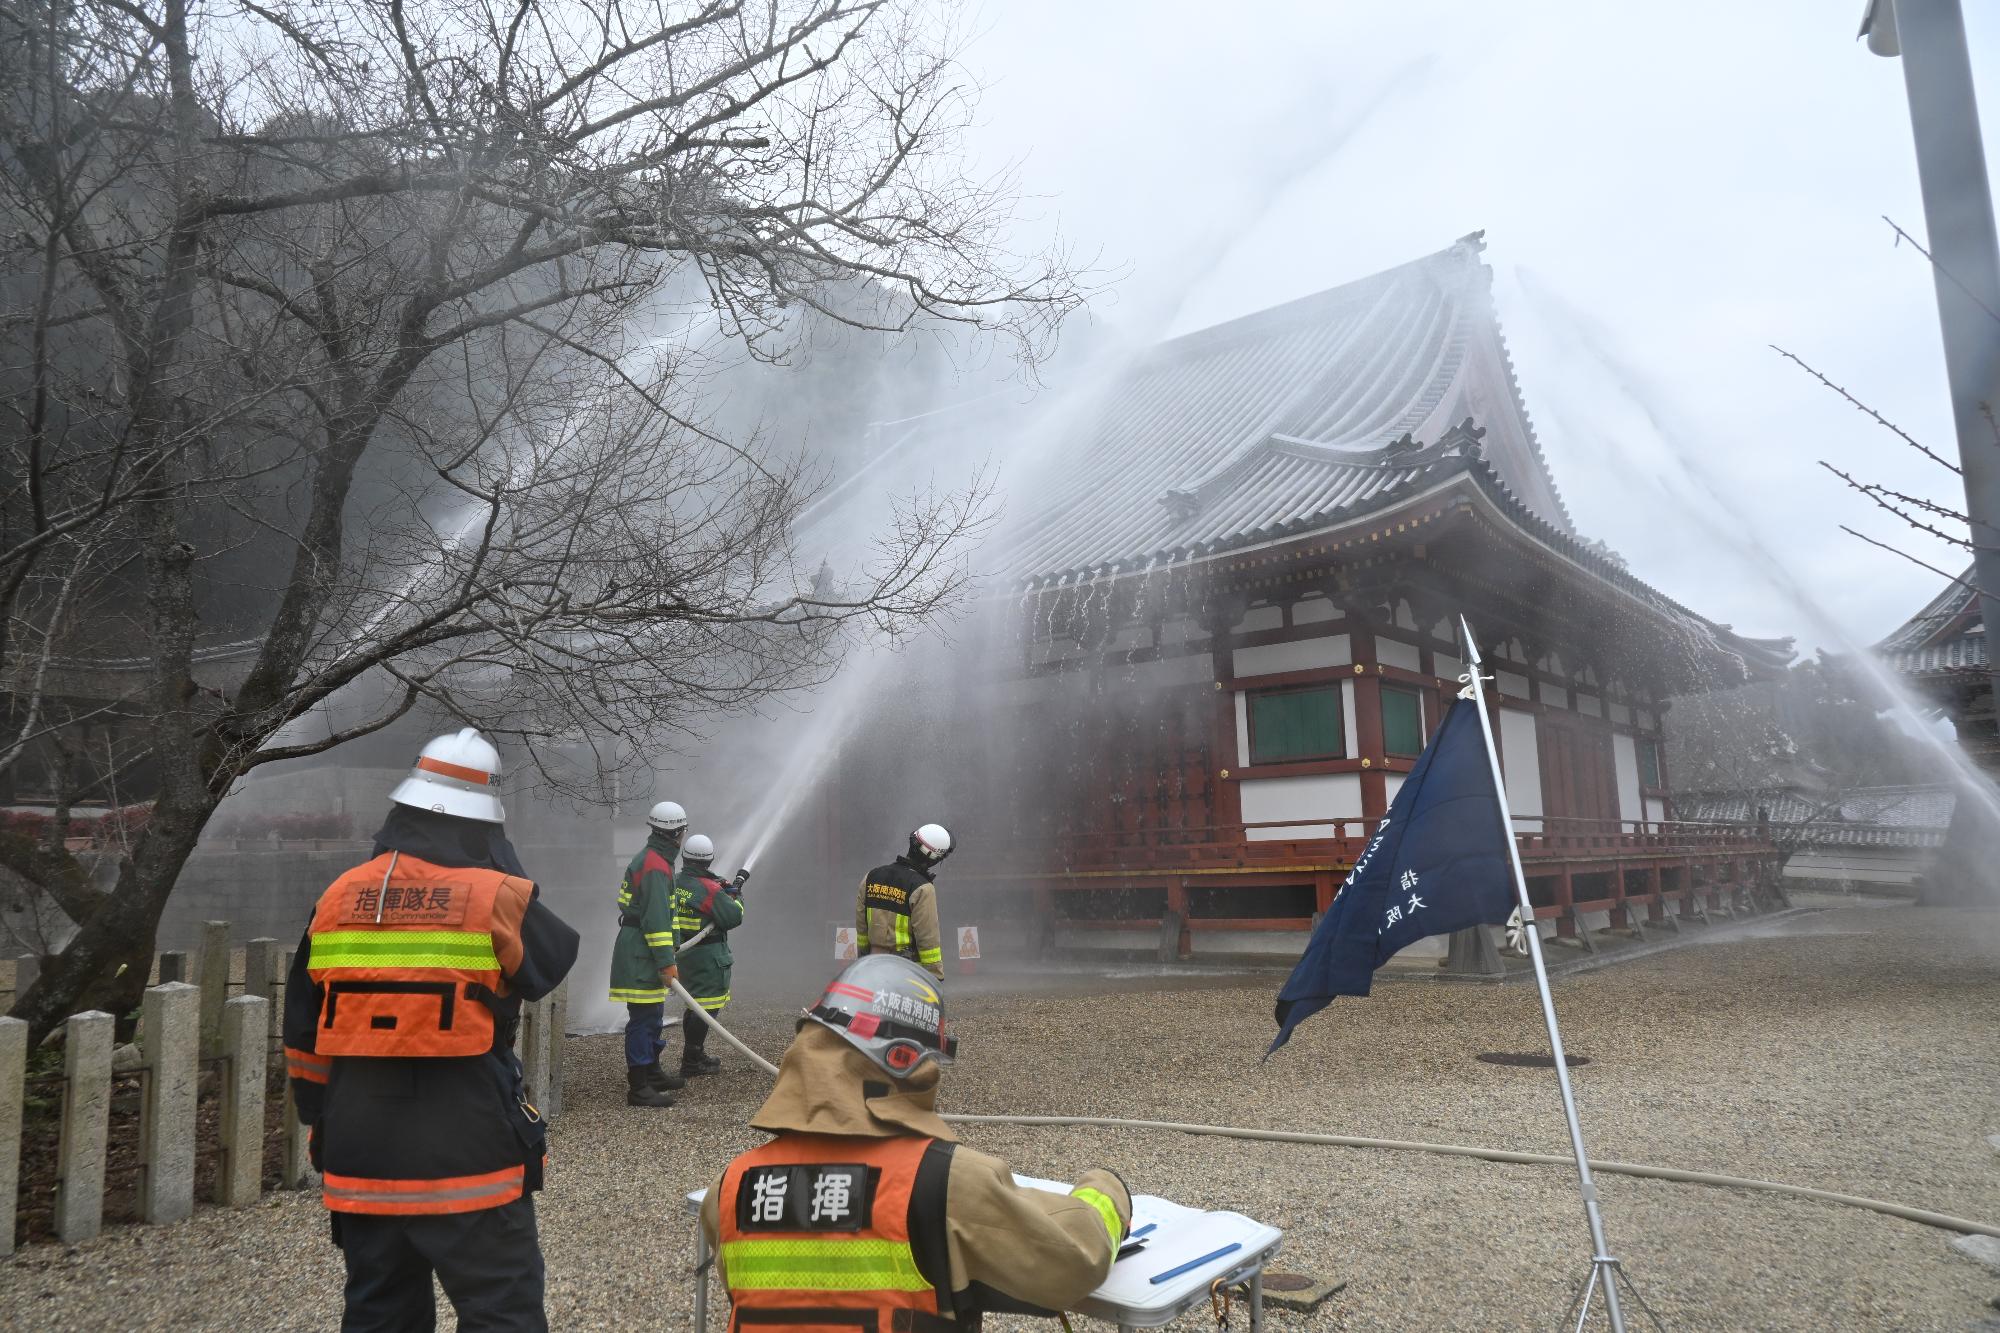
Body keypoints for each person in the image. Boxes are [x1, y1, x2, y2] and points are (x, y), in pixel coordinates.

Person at [282, 727, 580, 1333]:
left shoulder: (337, 897)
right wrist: (506, 867)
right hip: (471, 1162)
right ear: (485, 823)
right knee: (503, 1314)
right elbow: (550, 961)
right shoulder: (495, 895)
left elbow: (303, 1037)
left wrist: (324, 1114)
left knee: (379, 1315)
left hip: (360, 1156)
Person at [701, 955, 1131, 1329]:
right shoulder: (945, 1182)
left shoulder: (730, 1187)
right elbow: (1075, 1259)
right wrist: (1107, 1190)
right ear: (903, 1059)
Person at [610, 799, 689, 1107]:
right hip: (643, 953)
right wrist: (667, 962)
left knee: (653, 1014)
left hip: (642, 949)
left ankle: (653, 1072)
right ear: (678, 833)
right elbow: (656, 922)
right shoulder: (656, 866)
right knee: (643, 1019)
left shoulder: (656, 859)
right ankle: (639, 1087)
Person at [671, 833, 746, 1078]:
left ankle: (695, 1053)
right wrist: (736, 896)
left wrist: (721, 885)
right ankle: (691, 1061)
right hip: (708, 959)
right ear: (709, 860)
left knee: (693, 1006)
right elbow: (734, 916)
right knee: (706, 1009)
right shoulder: (709, 890)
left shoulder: (676, 882)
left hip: (685, 957)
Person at [856, 822, 952, 979]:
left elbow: (861, 927)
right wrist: (935, 977)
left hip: (873, 966)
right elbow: (928, 938)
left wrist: (864, 960)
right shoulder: (922, 888)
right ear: (933, 859)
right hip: (906, 972)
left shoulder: (871, 876)